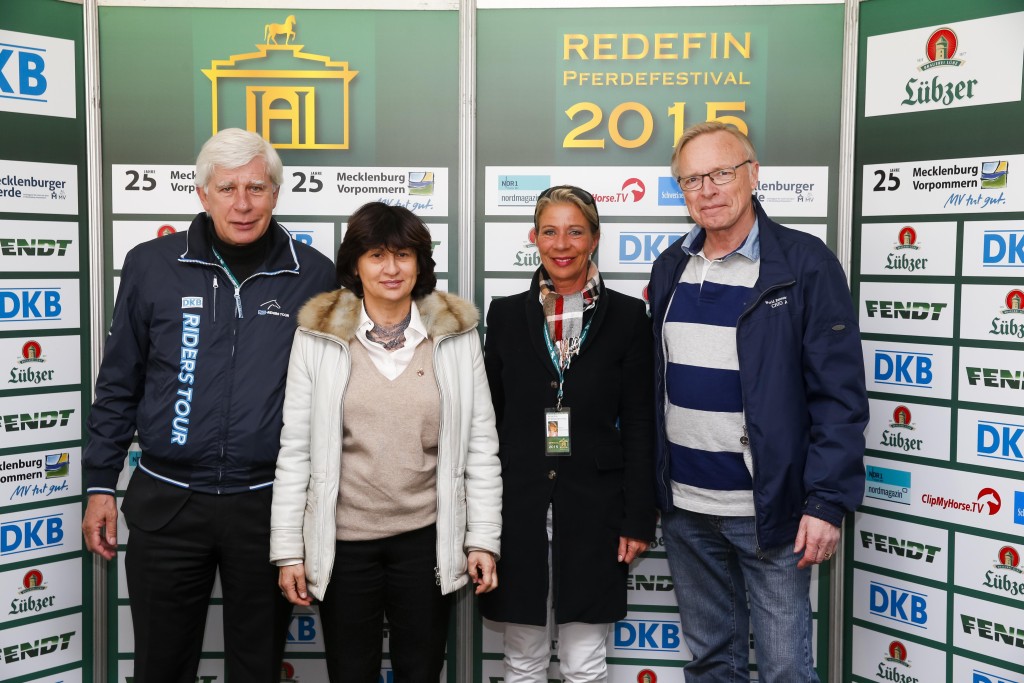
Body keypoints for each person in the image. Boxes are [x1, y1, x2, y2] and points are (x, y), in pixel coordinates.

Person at [81, 128, 337, 681]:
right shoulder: (151, 264)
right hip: (167, 502)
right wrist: (100, 482)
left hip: (267, 507)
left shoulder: (316, 275)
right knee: (160, 666)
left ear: (275, 193)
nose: (242, 204)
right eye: (227, 188)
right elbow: (119, 381)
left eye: (256, 188)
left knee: (258, 667)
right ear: (202, 194)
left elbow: (338, 393)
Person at [648, 122, 869, 682]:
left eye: (721, 173)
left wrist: (826, 503)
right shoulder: (671, 266)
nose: (707, 190)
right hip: (686, 509)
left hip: (770, 513)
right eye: (691, 179)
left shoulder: (804, 263)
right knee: (711, 663)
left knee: (785, 669)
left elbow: (839, 396)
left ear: (752, 175)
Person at [270, 201, 502, 682]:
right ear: (355, 264)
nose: (391, 268)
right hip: (344, 544)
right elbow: (296, 450)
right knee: (350, 673)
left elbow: (480, 446)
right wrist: (289, 550)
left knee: (421, 672)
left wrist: (482, 539)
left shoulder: (456, 337)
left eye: (403, 255)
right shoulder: (318, 338)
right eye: (376, 255)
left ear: (420, 263)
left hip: (426, 541)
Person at [480, 185, 656, 682]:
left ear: (594, 239)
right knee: (522, 659)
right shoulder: (505, 315)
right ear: (534, 238)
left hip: (597, 508)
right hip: (518, 506)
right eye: (550, 231)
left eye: (575, 232)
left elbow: (640, 423)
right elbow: (487, 420)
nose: (562, 244)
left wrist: (639, 517)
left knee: (585, 662)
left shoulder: (628, 318)